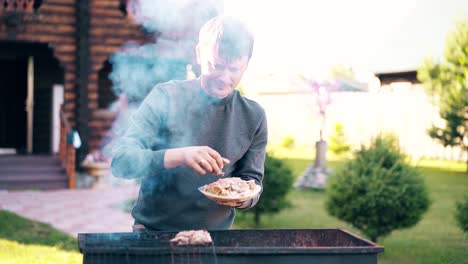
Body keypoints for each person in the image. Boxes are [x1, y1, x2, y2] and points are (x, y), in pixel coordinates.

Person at [111, 15, 268, 231]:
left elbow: (252, 180)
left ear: (246, 64)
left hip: (215, 239)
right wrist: (180, 155)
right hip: (153, 234)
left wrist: (243, 197)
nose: (224, 77)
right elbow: (121, 163)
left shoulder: (254, 116)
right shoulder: (166, 97)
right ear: (198, 55)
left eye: (234, 69)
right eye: (216, 66)